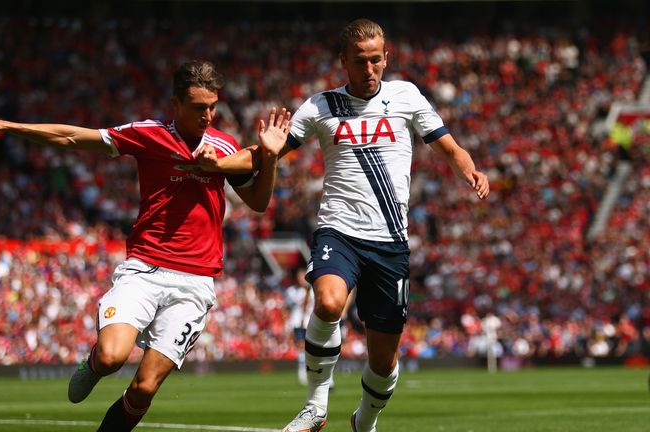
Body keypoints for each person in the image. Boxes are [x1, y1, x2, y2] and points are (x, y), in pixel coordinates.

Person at [0, 60, 291, 432]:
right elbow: (72, 137)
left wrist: (271, 157)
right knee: (113, 356)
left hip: (196, 282)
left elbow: (259, 202)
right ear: (176, 104)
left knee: (144, 388)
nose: (208, 115)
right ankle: (95, 365)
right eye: (198, 107)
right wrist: (8, 126)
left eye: (212, 106)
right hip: (145, 269)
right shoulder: (149, 134)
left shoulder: (226, 146)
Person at [200, 19, 489, 432]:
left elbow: (447, 143)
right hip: (339, 230)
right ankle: (316, 404)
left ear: (386, 58)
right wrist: (219, 164)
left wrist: (470, 170)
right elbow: (265, 153)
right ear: (343, 62)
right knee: (329, 302)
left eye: (376, 60)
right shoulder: (320, 107)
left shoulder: (406, 96)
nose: (369, 69)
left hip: (390, 242)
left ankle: (364, 421)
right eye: (360, 62)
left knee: (384, 359)